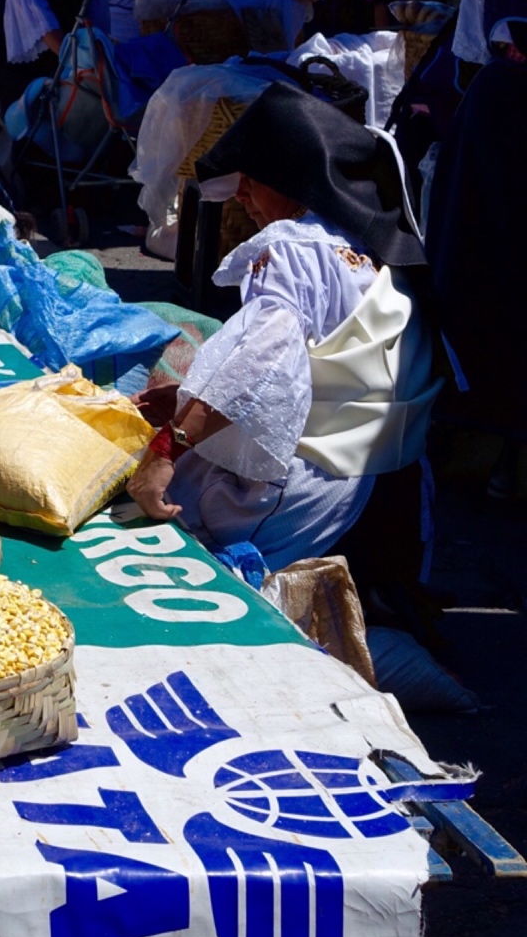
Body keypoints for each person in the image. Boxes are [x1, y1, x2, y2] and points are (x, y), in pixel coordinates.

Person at [127, 85, 441, 572]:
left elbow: (261, 362)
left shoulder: (292, 249)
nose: (242, 195)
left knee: (164, 536)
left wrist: (168, 446)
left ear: (295, 177)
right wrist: (191, 397)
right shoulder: (373, 250)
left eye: (255, 180)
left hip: (314, 488)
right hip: (393, 485)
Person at [427, 16, 527, 494]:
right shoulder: (503, 92)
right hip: (493, 269)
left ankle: (490, 457)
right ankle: (492, 461)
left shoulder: (496, 86)